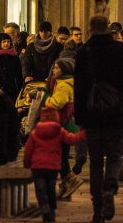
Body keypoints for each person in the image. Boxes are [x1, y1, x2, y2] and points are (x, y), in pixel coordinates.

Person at [73, 14, 123, 223]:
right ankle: (110, 187)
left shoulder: (84, 52)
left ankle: (97, 208)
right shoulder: (121, 50)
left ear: (90, 29)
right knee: (114, 155)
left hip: (92, 113)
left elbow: (79, 88)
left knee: (95, 161)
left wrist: (79, 117)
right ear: (108, 29)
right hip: (115, 112)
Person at [24, 106, 86, 222]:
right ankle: (51, 209)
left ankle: (44, 207)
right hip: (53, 167)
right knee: (50, 189)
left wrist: (27, 164)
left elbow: (28, 150)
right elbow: (72, 139)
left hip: (38, 167)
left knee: (40, 189)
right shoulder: (59, 131)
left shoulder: (35, 133)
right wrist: (82, 133)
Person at [43, 57, 84, 198]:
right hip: (68, 125)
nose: (54, 70)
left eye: (57, 68)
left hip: (62, 124)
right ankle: (66, 188)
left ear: (65, 70)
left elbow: (55, 103)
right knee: (62, 155)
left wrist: (43, 97)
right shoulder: (70, 83)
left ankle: (70, 179)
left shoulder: (64, 85)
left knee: (59, 156)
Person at [0, 33, 24, 100]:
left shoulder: (14, 56)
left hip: (11, 89)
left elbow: (19, 75)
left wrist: (20, 89)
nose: (6, 44)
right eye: (4, 42)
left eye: (8, 41)